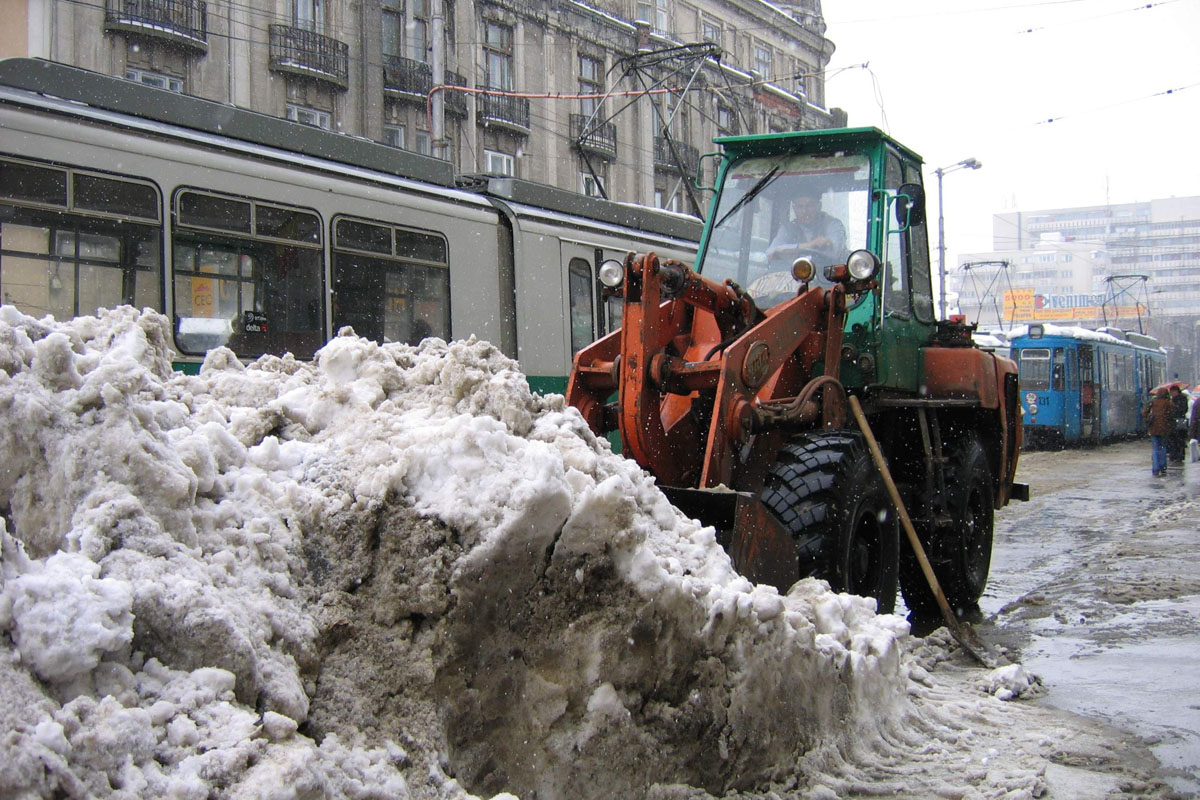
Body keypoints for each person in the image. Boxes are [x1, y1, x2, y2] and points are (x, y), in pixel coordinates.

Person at [766, 189, 847, 271]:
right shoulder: (788, 228)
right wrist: (811, 244)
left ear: (819, 206)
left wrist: (789, 251)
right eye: (800, 206)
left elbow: (837, 252)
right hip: (794, 279)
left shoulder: (833, 224)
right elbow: (770, 253)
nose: (804, 211)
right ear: (794, 208)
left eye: (809, 205)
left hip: (829, 278)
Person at [1143, 386, 1175, 477]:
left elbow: (1144, 412)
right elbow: (1172, 414)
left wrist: (1149, 419)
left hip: (1153, 429)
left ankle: (1155, 469)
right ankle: (1163, 467)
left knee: (1155, 448)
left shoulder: (1152, 402)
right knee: (1163, 448)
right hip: (1164, 429)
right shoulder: (1169, 403)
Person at [1168, 384, 1188, 463]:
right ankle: (1177, 455)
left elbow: (1183, 410)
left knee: (1178, 439)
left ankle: (1178, 456)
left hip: (1179, 421)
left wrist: (1174, 409)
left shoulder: (1180, 399)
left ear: (1176, 391)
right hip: (1177, 422)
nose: (1172, 393)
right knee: (1175, 439)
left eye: (1173, 392)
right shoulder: (1174, 399)